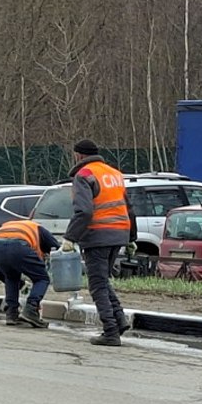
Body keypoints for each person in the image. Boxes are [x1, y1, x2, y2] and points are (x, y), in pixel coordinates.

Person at [62, 139, 138, 346]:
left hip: (98, 235)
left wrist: (70, 237)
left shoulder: (84, 175)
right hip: (119, 234)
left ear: (78, 155)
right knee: (103, 280)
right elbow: (129, 208)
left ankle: (110, 331)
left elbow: (84, 211)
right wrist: (131, 237)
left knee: (97, 285)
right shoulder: (115, 174)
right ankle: (119, 320)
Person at [0, 219, 61, 327]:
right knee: (42, 278)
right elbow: (57, 249)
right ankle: (31, 309)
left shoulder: (13, 225)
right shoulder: (40, 229)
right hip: (18, 246)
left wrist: (22, 284)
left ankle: (11, 313)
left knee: (11, 276)